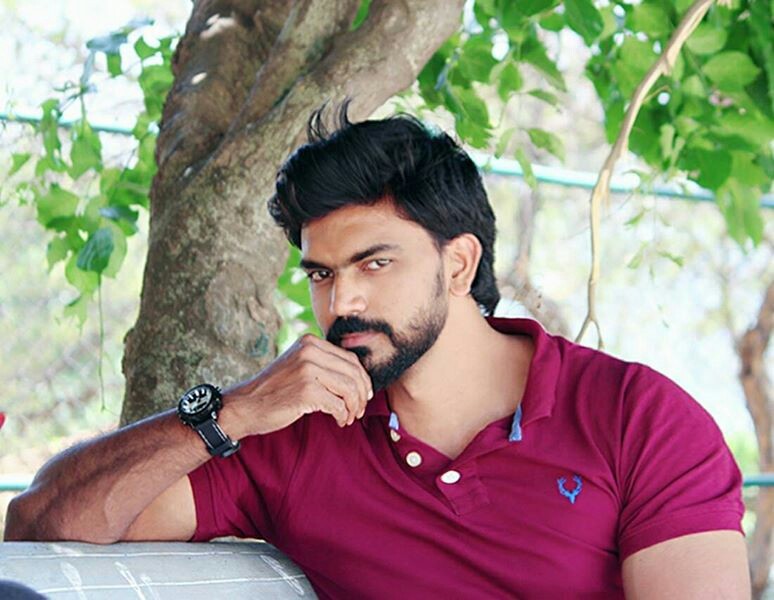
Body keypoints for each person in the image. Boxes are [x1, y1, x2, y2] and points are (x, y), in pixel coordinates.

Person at [5, 107, 750, 598]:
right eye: (322, 275)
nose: (343, 302)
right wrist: (230, 412)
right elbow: (43, 527)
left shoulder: (638, 419)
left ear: (458, 265)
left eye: (375, 263)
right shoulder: (293, 434)